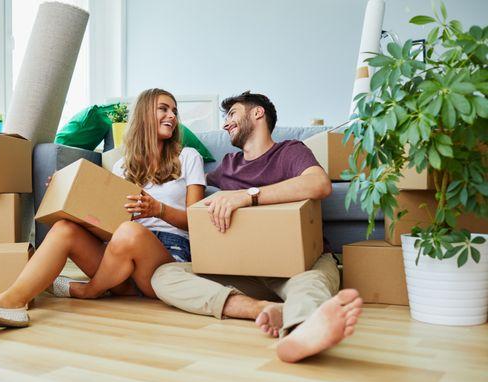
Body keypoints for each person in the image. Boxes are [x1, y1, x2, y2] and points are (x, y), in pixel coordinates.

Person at [0, 88, 206, 328]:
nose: (172, 116)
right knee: (64, 228)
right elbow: (108, 222)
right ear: (143, 115)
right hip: (119, 266)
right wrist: (68, 190)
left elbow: (197, 223)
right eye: (163, 109)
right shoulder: (122, 166)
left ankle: (89, 290)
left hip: (164, 261)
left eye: (174, 111)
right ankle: (10, 303)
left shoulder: (188, 157)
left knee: (129, 233)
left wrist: (158, 209)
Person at [151, 91, 363, 363]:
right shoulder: (228, 165)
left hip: (298, 267)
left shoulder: (290, 151)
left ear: (257, 113)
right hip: (243, 270)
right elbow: (186, 185)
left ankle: (300, 334)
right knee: (165, 276)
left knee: (310, 286)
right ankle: (260, 309)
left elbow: (319, 184)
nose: (226, 123)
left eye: (232, 114)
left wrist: (247, 195)